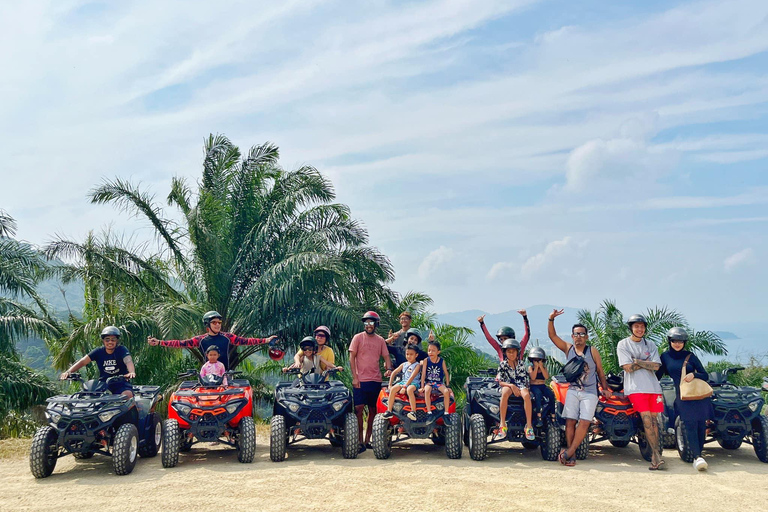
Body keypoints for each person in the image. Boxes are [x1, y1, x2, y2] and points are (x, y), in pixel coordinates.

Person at [548, 309, 611, 467]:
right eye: (576, 334)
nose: (579, 337)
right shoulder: (568, 349)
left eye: (582, 334)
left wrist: (605, 388)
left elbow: (600, 372)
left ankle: (568, 452)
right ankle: (572, 454)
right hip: (573, 391)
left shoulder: (592, 351)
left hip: (590, 391)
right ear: (572, 336)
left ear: (587, 336)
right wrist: (551, 319)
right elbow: (553, 337)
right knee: (570, 422)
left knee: (584, 422)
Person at [657, 327, 713, 471]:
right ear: (670, 341)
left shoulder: (690, 356)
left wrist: (694, 375)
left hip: (698, 396)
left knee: (700, 425)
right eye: (674, 341)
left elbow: (705, 375)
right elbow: (657, 376)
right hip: (682, 396)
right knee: (689, 424)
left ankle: (699, 454)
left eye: (680, 341)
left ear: (684, 343)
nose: (677, 344)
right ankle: (697, 456)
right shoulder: (665, 357)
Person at [147, 311, 277, 370]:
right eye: (214, 322)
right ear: (207, 325)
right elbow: (181, 343)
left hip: (226, 375)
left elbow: (246, 341)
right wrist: (159, 342)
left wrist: (266, 340)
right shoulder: (200, 339)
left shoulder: (228, 337)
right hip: (207, 374)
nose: (218, 325)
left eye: (219, 322)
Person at [617, 313, 664, 470]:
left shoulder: (650, 345)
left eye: (642, 326)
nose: (640, 329)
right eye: (636, 326)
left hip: (653, 387)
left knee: (655, 421)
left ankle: (656, 453)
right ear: (631, 328)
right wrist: (647, 363)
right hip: (636, 388)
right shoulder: (623, 344)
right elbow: (628, 368)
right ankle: (655, 455)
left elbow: (657, 366)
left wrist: (637, 361)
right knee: (646, 420)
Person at [349, 311, 393, 453]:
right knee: (359, 409)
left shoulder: (380, 340)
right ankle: (359, 441)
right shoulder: (357, 338)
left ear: (376, 324)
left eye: (371, 322)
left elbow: (386, 356)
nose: (368, 325)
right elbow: (352, 358)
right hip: (360, 380)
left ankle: (368, 440)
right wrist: (355, 376)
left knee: (373, 410)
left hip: (375, 379)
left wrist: (389, 368)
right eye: (366, 323)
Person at [60, 326, 136, 398]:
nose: (110, 342)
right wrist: (68, 372)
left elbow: (128, 360)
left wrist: (131, 372)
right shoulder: (98, 351)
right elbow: (83, 361)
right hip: (102, 384)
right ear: (103, 340)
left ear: (117, 341)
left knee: (127, 395)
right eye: (107, 339)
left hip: (121, 382)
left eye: (113, 340)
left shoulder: (121, 349)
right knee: (88, 398)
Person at [496, 339, 535, 440]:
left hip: (520, 385)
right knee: (504, 392)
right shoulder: (503, 364)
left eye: (513, 351)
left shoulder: (521, 364)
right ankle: (502, 424)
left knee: (527, 395)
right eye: (509, 351)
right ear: (505, 352)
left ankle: (529, 426)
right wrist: (512, 386)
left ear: (517, 352)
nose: (511, 354)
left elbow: (524, 379)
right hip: (507, 385)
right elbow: (500, 381)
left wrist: (525, 389)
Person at [383, 344, 422, 421]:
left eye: (411, 354)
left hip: (413, 383)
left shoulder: (417, 365)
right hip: (403, 382)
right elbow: (394, 372)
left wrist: (405, 387)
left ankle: (413, 411)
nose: (409, 356)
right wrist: (390, 385)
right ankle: (389, 410)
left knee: (409, 390)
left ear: (416, 355)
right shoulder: (404, 364)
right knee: (393, 389)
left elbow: (412, 377)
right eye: (407, 354)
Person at [420, 340, 452, 423]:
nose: (430, 352)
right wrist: (422, 386)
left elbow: (446, 373)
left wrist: (448, 386)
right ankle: (429, 412)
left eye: (433, 350)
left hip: (438, 382)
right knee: (427, 391)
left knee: (446, 392)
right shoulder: (426, 360)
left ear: (438, 352)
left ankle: (446, 413)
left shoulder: (441, 361)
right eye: (429, 350)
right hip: (429, 382)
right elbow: (423, 374)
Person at [527, 346, 555, 428]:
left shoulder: (544, 368)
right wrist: (536, 367)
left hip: (542, 385)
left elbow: (546, 377)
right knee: (538, 395)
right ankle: (539, 416)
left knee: (551, 394)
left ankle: (553, 415)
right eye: (535, 360)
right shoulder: (530, 367)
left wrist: (541, 367)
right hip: (534, 386)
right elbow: (533, 377)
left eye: (539, 360)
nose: (537, 361)